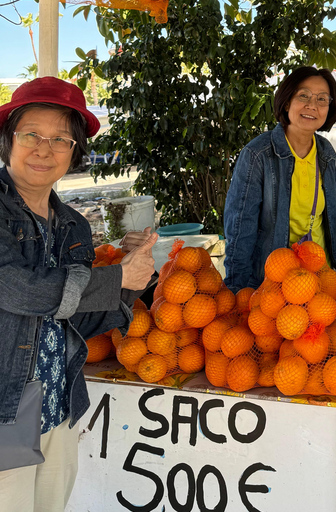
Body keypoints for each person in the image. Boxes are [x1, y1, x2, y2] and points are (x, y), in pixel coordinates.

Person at [0, 77, 157, 510]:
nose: (44, 149)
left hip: (57, 406)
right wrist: (114, 280)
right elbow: (17, 290)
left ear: (75, 152)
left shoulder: (73, 225)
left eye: (61, 139)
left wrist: (133, 283)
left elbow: (78, 322)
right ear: (8, 140)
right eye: (31, 134)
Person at [224, 66, 336, 291]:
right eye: (303, 96)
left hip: (318, 279)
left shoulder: (326, 152)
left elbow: (328, 222)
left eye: (322, 99)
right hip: (272, 282)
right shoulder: (258, 154)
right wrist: (236, 289)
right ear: (287, 102)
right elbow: (240, 227)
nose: (312, 106)